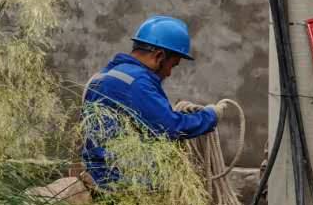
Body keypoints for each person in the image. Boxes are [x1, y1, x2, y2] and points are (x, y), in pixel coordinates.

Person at [82, 15, 219, 188]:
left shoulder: (106, 75)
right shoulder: (137, 82)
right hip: (123, 182)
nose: (169, 73)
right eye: (172, 65)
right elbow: (170, 128)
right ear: (159, 56)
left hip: (99, 175)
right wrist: (210, 116)